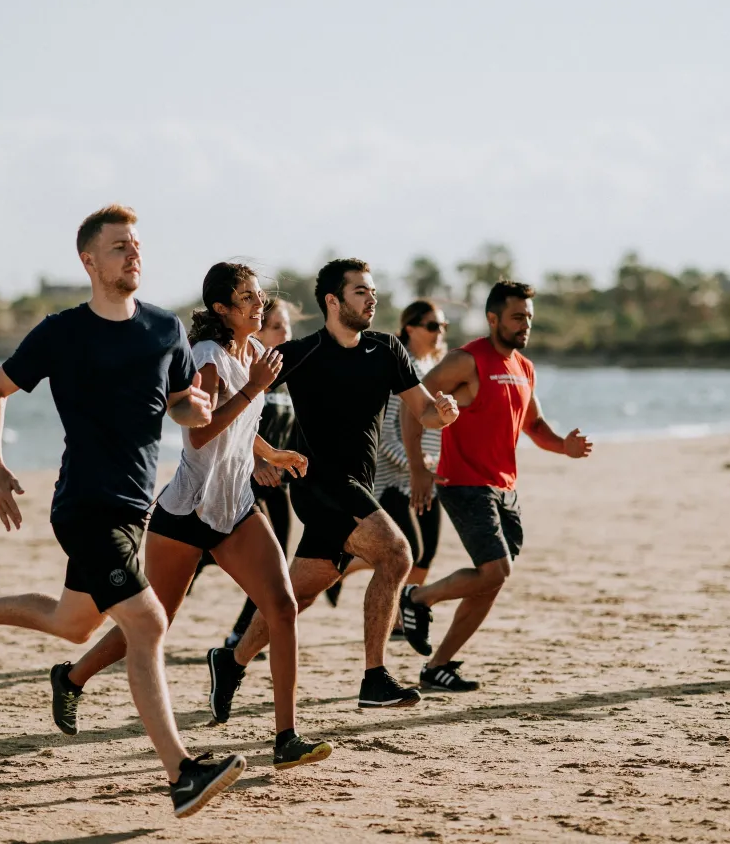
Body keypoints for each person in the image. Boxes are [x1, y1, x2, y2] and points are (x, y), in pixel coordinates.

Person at [0, 205, 246, 818]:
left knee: (73, 625)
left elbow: (182, 402)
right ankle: (181, 772)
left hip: (134, 508)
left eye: (137, 245)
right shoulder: (62, 331)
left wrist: (196, 412)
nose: (134, 255)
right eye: (120, 247)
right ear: (89, 261)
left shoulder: (165, 329)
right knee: (148, 624)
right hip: (84, 506)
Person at [51, 264, 333, 772]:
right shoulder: (206, 358)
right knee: (153, 622)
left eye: (258, 295)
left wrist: (271, 455)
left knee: (283, 607)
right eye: (245, 298)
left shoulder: (254, 356)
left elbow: (240, 428)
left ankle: (286, 736)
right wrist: (253, 389)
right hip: (185, 512)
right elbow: (200, 434)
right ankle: (72, 678)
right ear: (222, 310)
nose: (258, 303)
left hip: (235, 508)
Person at [206, 258, 461, 720]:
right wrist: (260, 457)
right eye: (361, 291)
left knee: (297, 595)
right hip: (319, 483)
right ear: (333, 300)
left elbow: (423, 411)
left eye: (372, 291)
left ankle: (231, 661)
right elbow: (239, 405)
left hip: (356, 485)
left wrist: (443, 413)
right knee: (397, 554)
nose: (372, 298)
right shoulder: (301, 353)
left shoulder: (387, 350)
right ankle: (374, 678)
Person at [397, 280, 593, 693]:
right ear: (493, 319)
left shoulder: (524, 367)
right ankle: (418, 598)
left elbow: (534, 426)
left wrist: (564, 447)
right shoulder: (465, 360)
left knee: (492, 579)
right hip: (464, 482)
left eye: (529, 318)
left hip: (505, 487)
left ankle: (438, 666)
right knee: (495, 569)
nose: (525, 325)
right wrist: (417, 467)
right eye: (517, 317)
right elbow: (412, 405)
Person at [326, 300, 449, 617]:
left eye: (443, 327)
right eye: (433, 326)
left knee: (426, 553)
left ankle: (400, 618)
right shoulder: (402, 367)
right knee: (409, 550)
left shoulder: (431, 368)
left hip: (428, 475)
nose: (440, 333)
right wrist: (416, 466)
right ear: (411, 328)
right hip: (396, 479)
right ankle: (339, 571)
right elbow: (385, 435)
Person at [222, 297, 300, 648]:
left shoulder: (287, 378)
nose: (286, 334)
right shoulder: (249, 374)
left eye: (288, 326)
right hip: (245, 484)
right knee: (255, 564)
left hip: (277, 487)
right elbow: (229, 423)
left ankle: (240, 631)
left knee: (275, 564)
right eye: (277, 327)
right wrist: (257, 462)